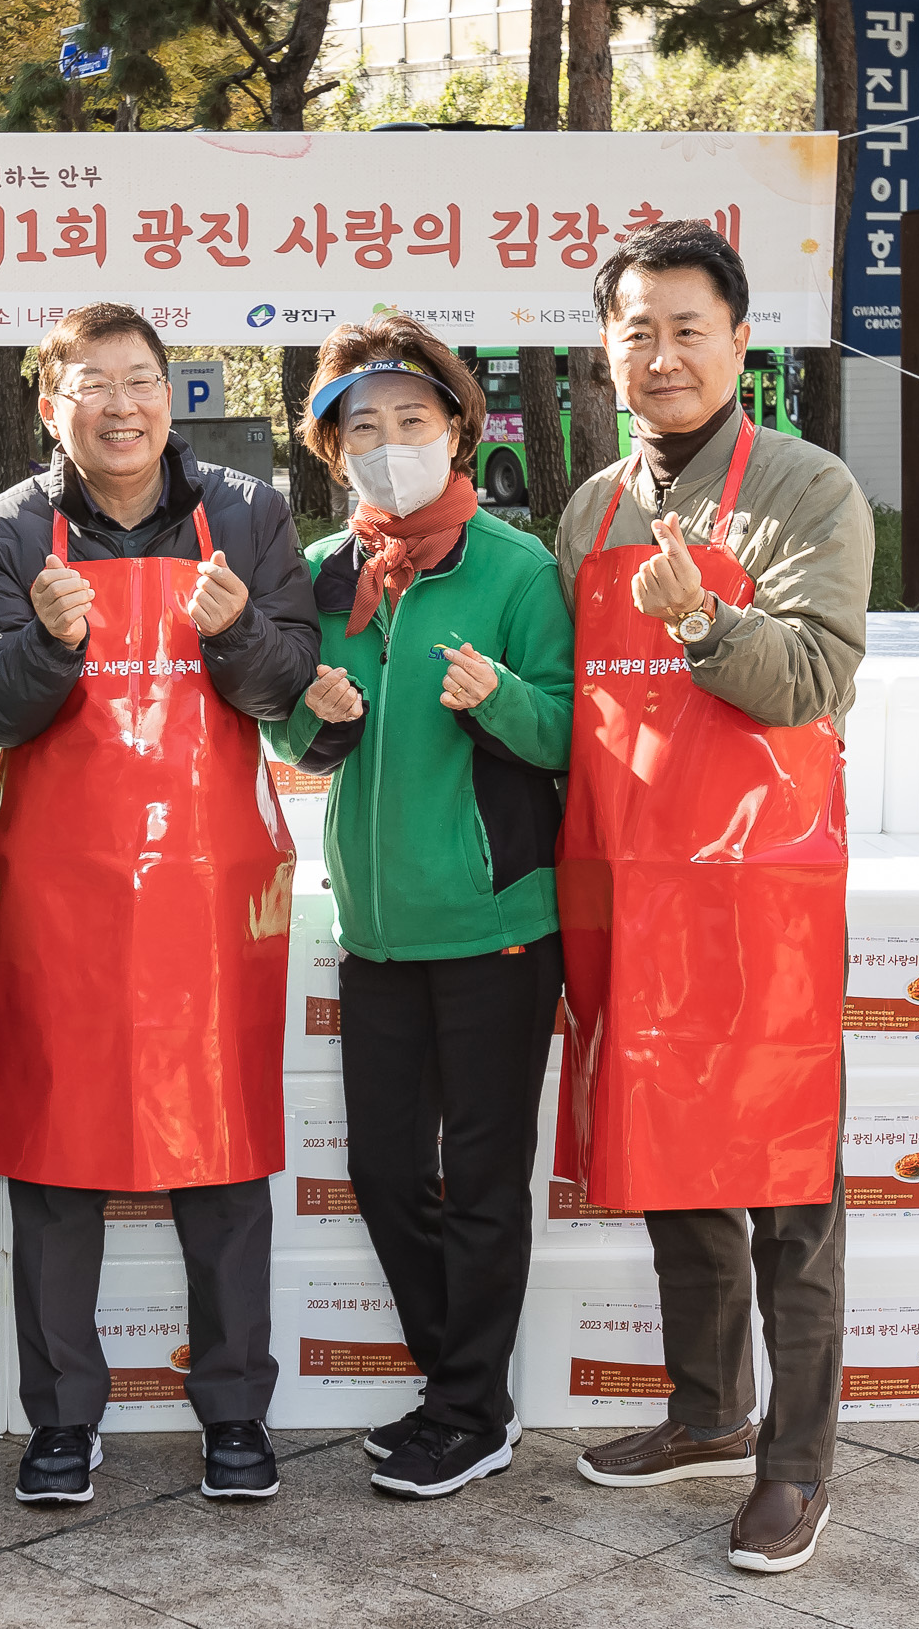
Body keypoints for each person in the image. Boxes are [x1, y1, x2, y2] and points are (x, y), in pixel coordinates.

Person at [0, 302, 319, 1505]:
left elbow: (288, 687)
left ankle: (235, 1413)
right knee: (58, 1163)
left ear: (175, 392)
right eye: (92, 384)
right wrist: (52, 645)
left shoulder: (251, 511)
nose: (122, 404)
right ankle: (60, 1418)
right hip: (58, 891)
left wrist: (235, 631)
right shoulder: (7, 528)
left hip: (210, 891)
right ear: (50, 403)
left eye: (143, 379)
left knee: (218, 1155)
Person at [551, 223, 871, 1574]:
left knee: (789, 1190)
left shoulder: (807, 487)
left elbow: (812, 678)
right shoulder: (591, 506)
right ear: (608, 352)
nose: (662, 354)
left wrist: (698, 623)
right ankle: (706, 1411)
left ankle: (796, 1466)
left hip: (762, 891)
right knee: (679, 1165)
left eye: (688, 327)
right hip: (636, 879)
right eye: (637, 330)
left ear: (741, 341)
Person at [268, 318, 574, 1500]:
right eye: (362, 427)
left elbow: (565, 731)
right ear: (332, 448)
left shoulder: (513, 566)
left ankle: (465, 1408)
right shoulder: (324, 570)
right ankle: (464, 1388)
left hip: (497, 921)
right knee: (389, 1172)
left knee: (486, 1179)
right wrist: (320, 717)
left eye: (410, 420)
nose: (388, 444)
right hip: (379, 929)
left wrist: (500, 698)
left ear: (457, 426)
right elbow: (296, 733)